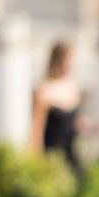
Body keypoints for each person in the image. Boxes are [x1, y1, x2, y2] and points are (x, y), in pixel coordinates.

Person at [31, 42, 85, 178]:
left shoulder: (73, 88)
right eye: (67, 60)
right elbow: (37, 129)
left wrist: (91, 127)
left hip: (71, 154)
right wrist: (37, 160)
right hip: (52, 155)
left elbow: (73, 123)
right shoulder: (43, 90)